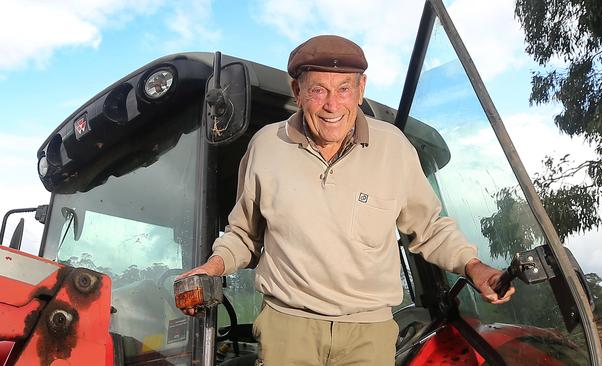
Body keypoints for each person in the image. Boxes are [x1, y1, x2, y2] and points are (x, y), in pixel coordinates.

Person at [178, 34, 515, 366]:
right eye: (318, 90)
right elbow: (244, 236)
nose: (332, 105)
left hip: (368, 334)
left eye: (344, 89)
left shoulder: (393, 148)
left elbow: (429, 228)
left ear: (361, 89)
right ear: (297, 92)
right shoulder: (266, 147)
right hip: (287, 328)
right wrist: (213, 267)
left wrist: (474, 267)